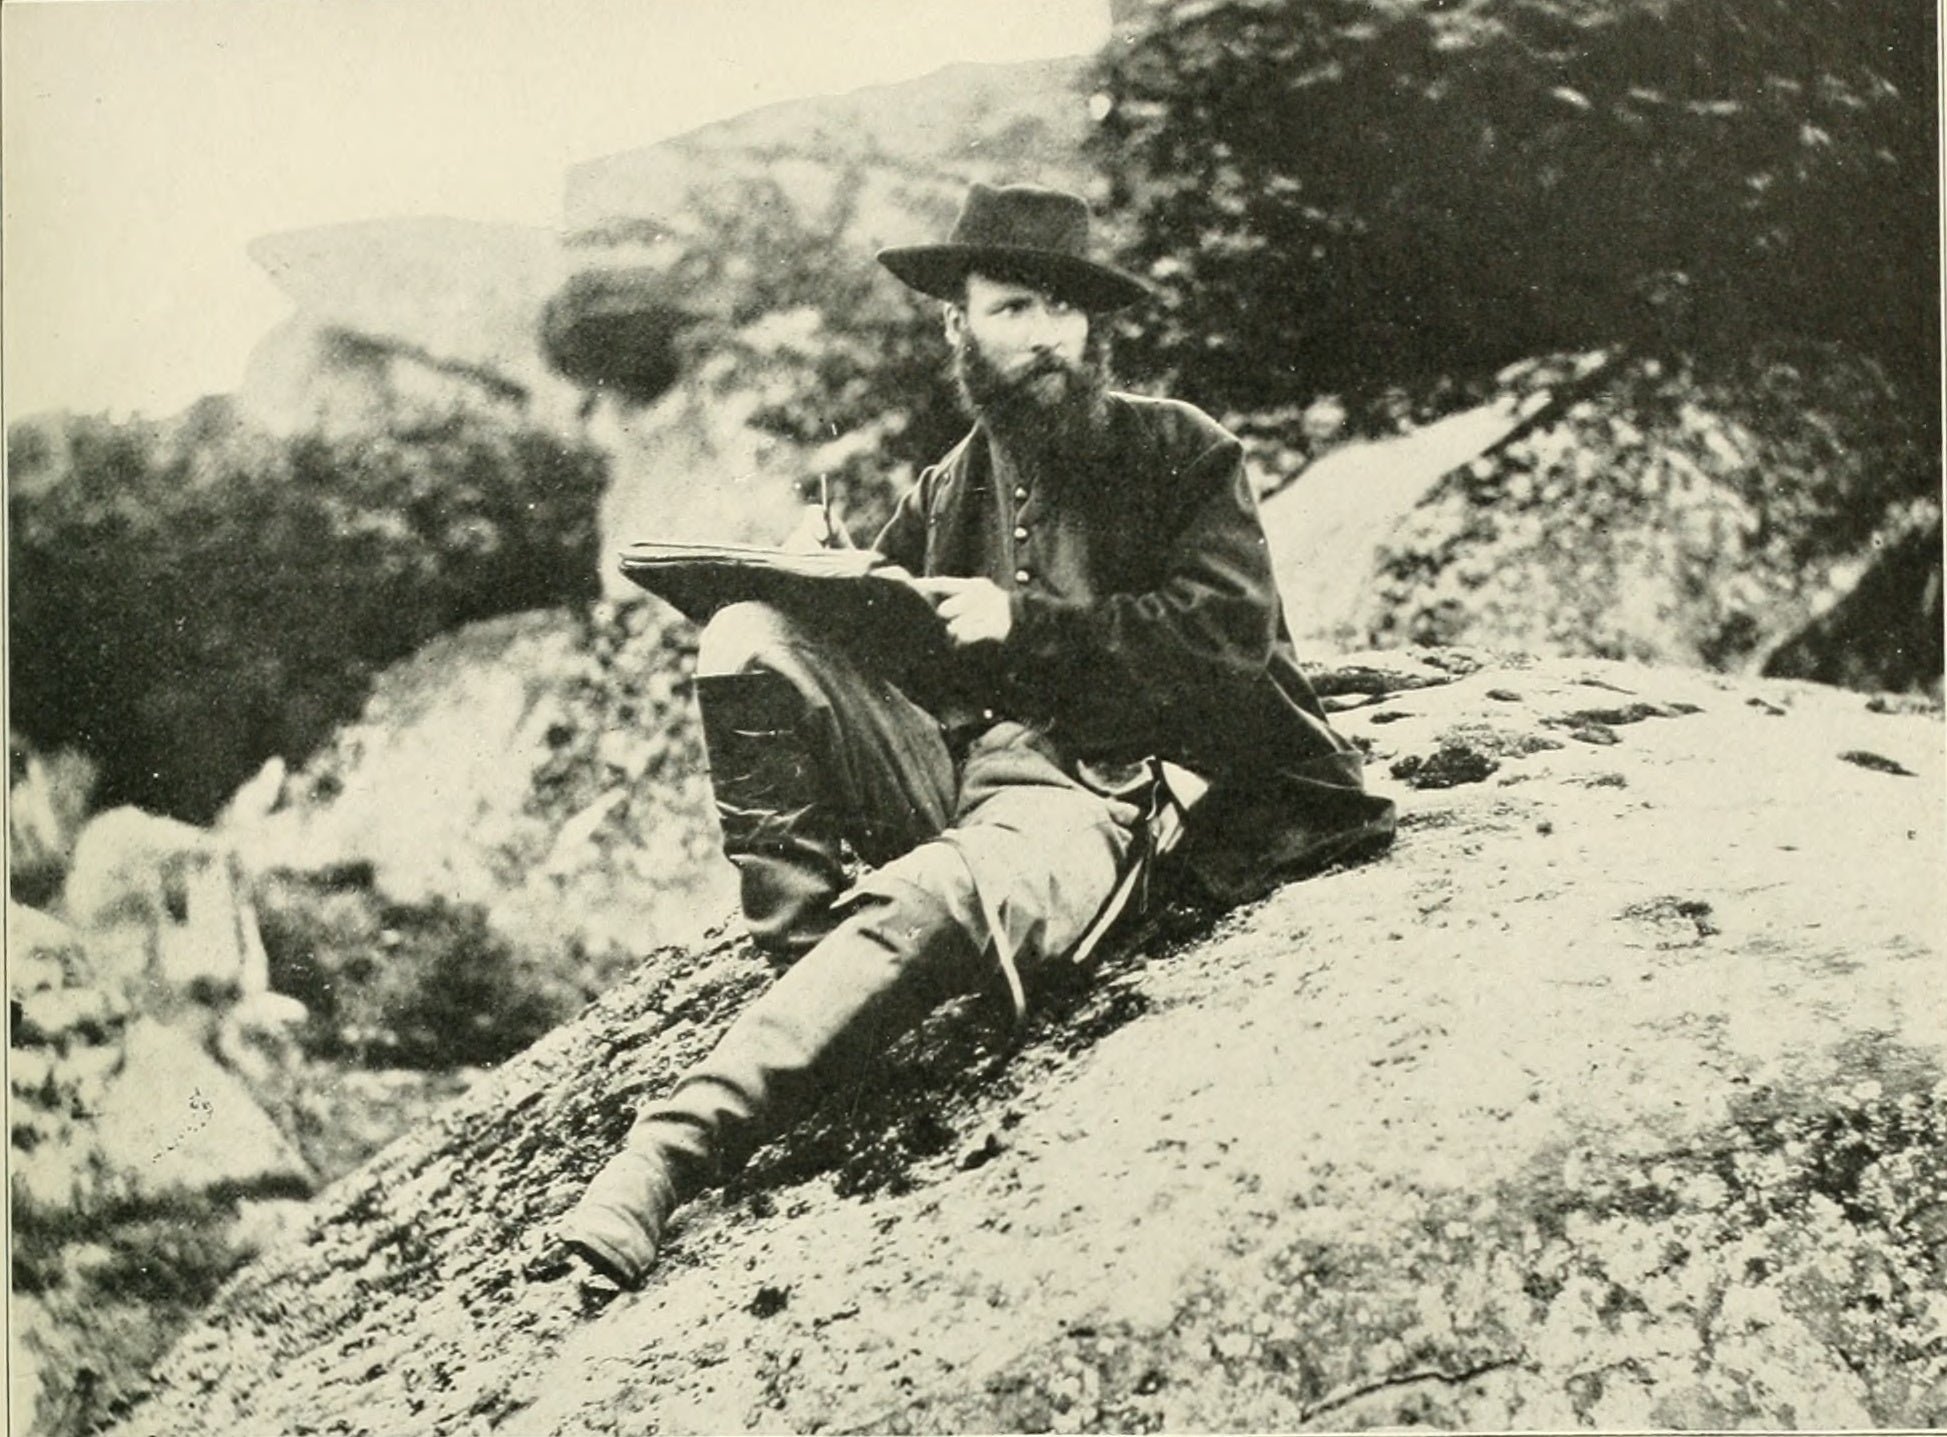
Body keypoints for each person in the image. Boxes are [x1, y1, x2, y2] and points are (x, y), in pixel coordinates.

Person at [557, 181, 1395, 1290]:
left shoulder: (1178, 451)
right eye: (1012, 309)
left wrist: (1027, 624)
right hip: (957, 775)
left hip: (1100, 795)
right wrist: (831, 586)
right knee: (747, 633)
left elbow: (1226, 643)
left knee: (936, 890)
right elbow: (902, 655)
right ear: (958, 324)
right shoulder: (949, 487)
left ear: (1095, 326)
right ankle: (810, 965)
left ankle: (667, 1153)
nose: (1045, 336)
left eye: (1064, 310)